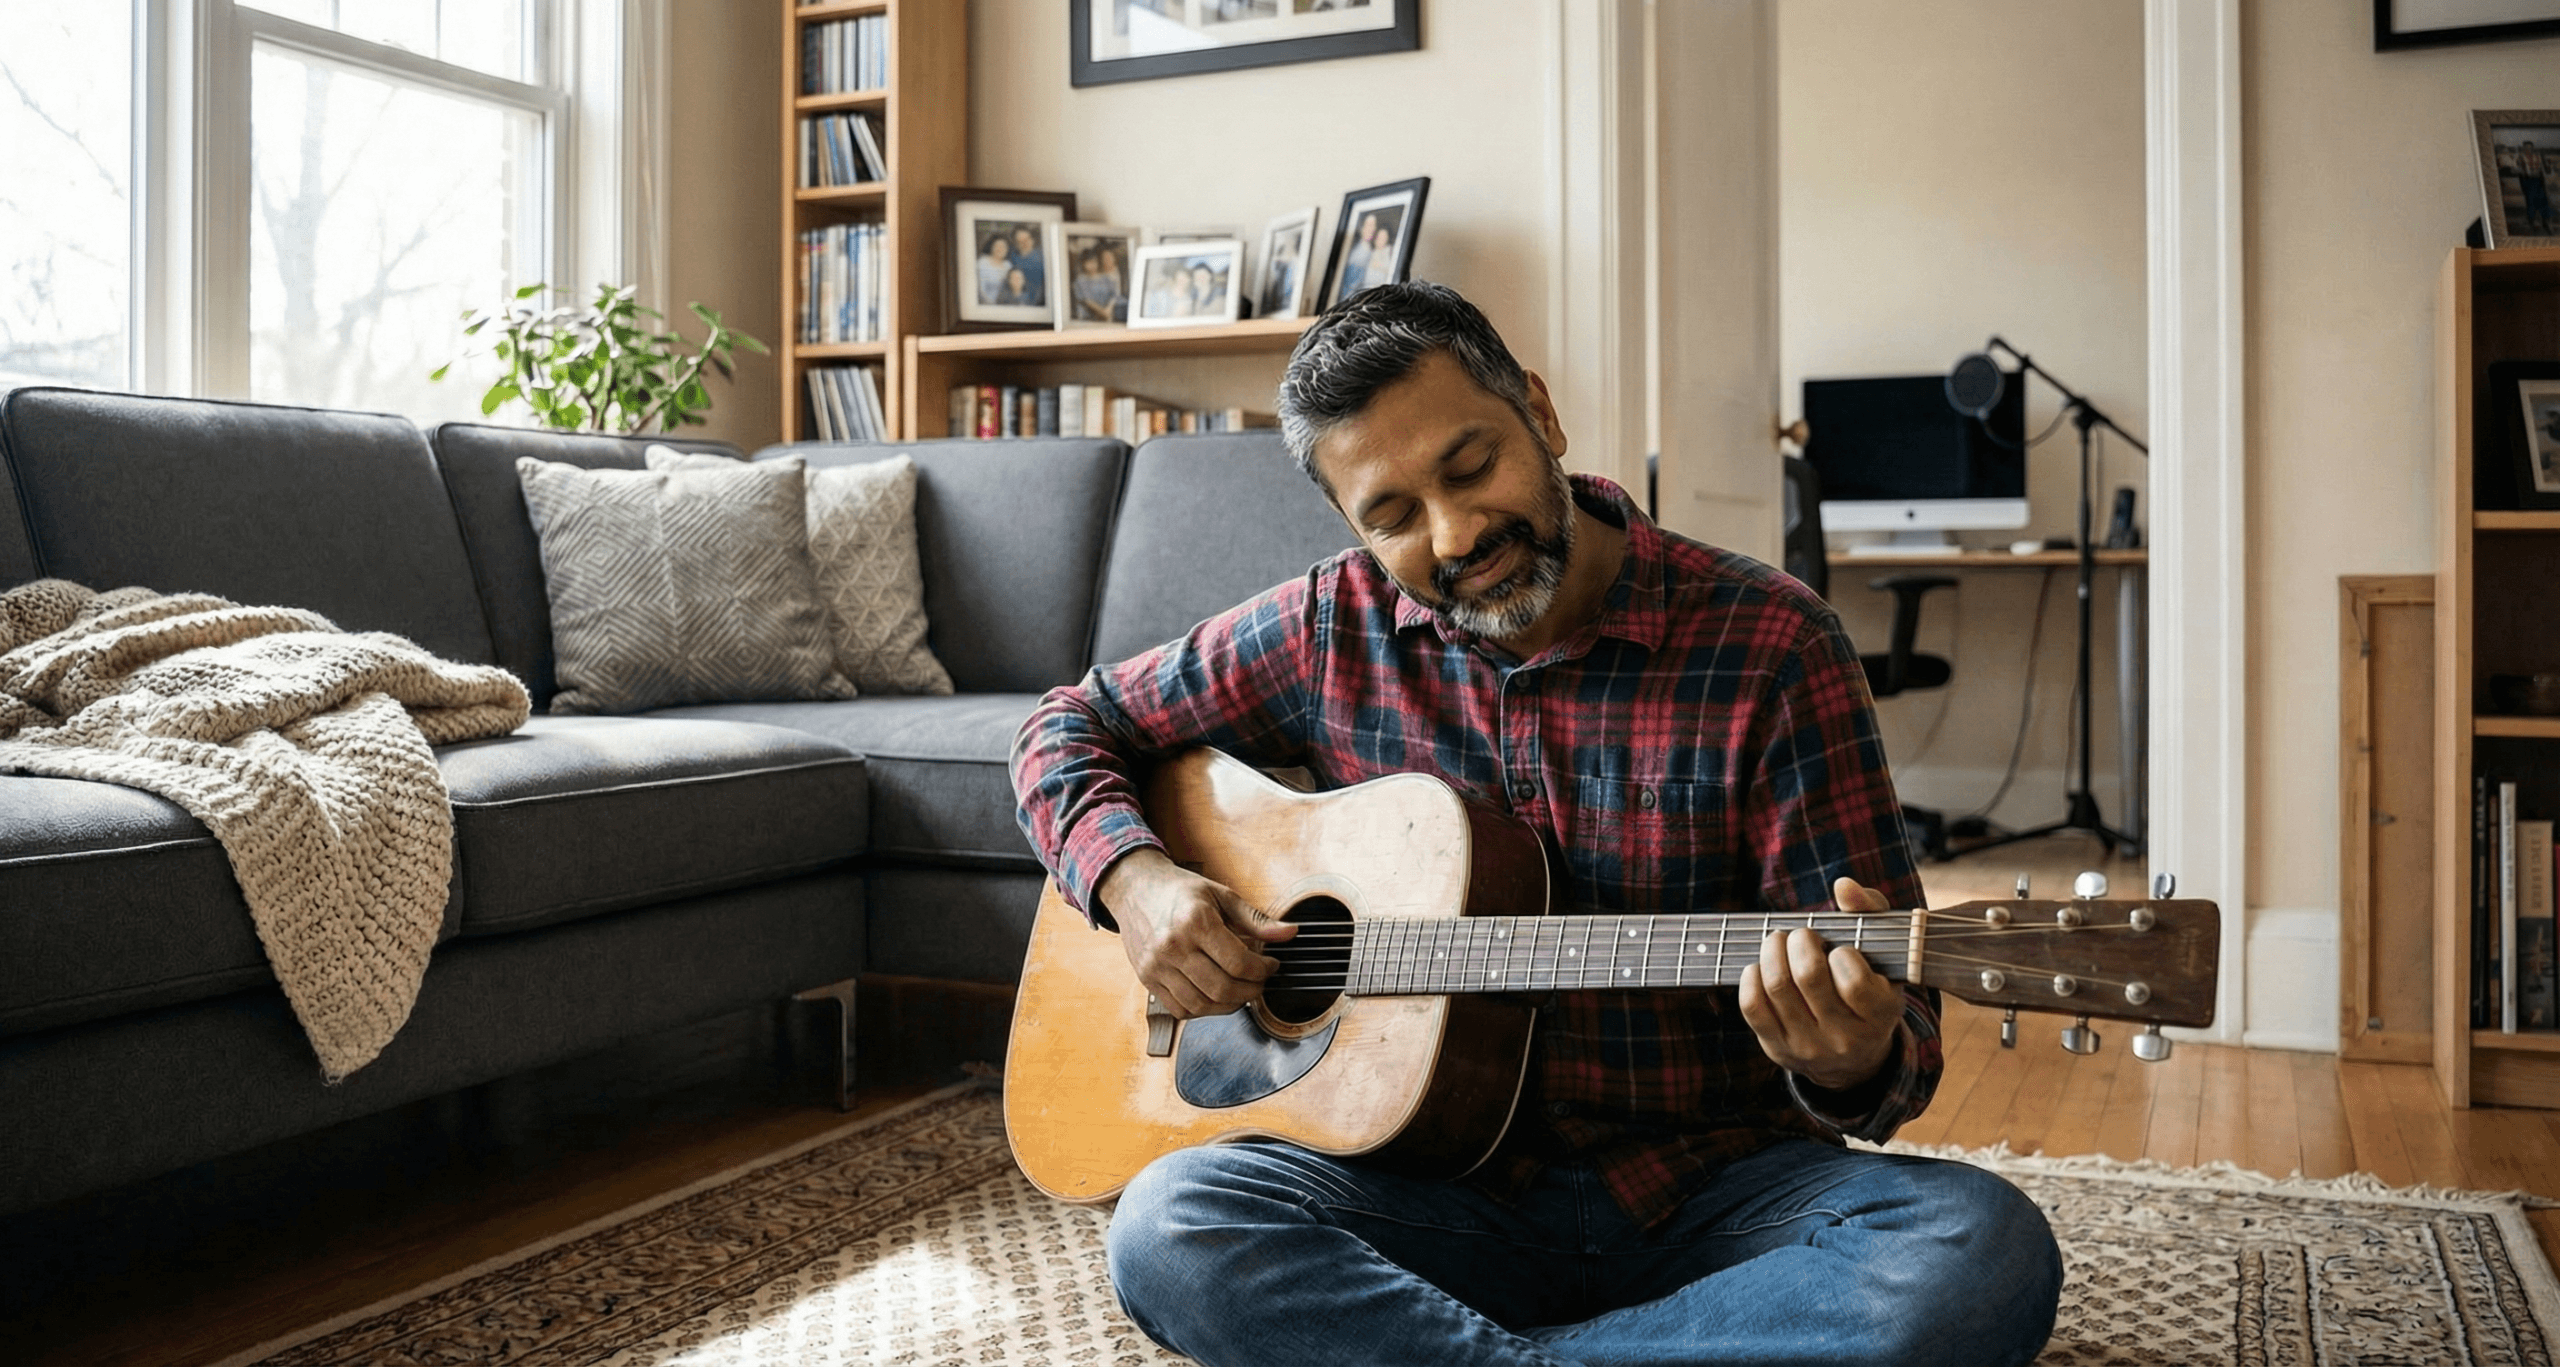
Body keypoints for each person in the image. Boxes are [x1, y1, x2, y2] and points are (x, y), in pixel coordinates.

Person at [1008, 281, 2063, 1367]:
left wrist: (1850, 1054)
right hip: (1423, 1201)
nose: (1455, 532)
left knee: (1978, 1250)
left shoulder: (1775, 645)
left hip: (1714, 1199)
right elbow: (1064, 726)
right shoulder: (1329, 628)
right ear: (1353, 530)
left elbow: (1901, 1044)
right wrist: (1136, 882)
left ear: (1541, 414)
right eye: (1393, 517)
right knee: (1173, 1223)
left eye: (1472, 467)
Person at [1010, 225, 1047, 304]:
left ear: (1032, 239)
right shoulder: (1013, 259)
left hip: (1040, 303)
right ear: (1016, 244)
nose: (1025, 243)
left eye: (1027, 239)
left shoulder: (1043, 257)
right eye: (1020, 241)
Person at [975, 233, 1012, 306]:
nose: (1000, 249)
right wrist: (993, 306)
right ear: (991, 247)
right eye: (997, 246)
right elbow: (981, 290)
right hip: (985, 305)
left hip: (1004, 306)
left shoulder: (1008, 266)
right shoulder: (982, 263)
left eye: (1003, 247)